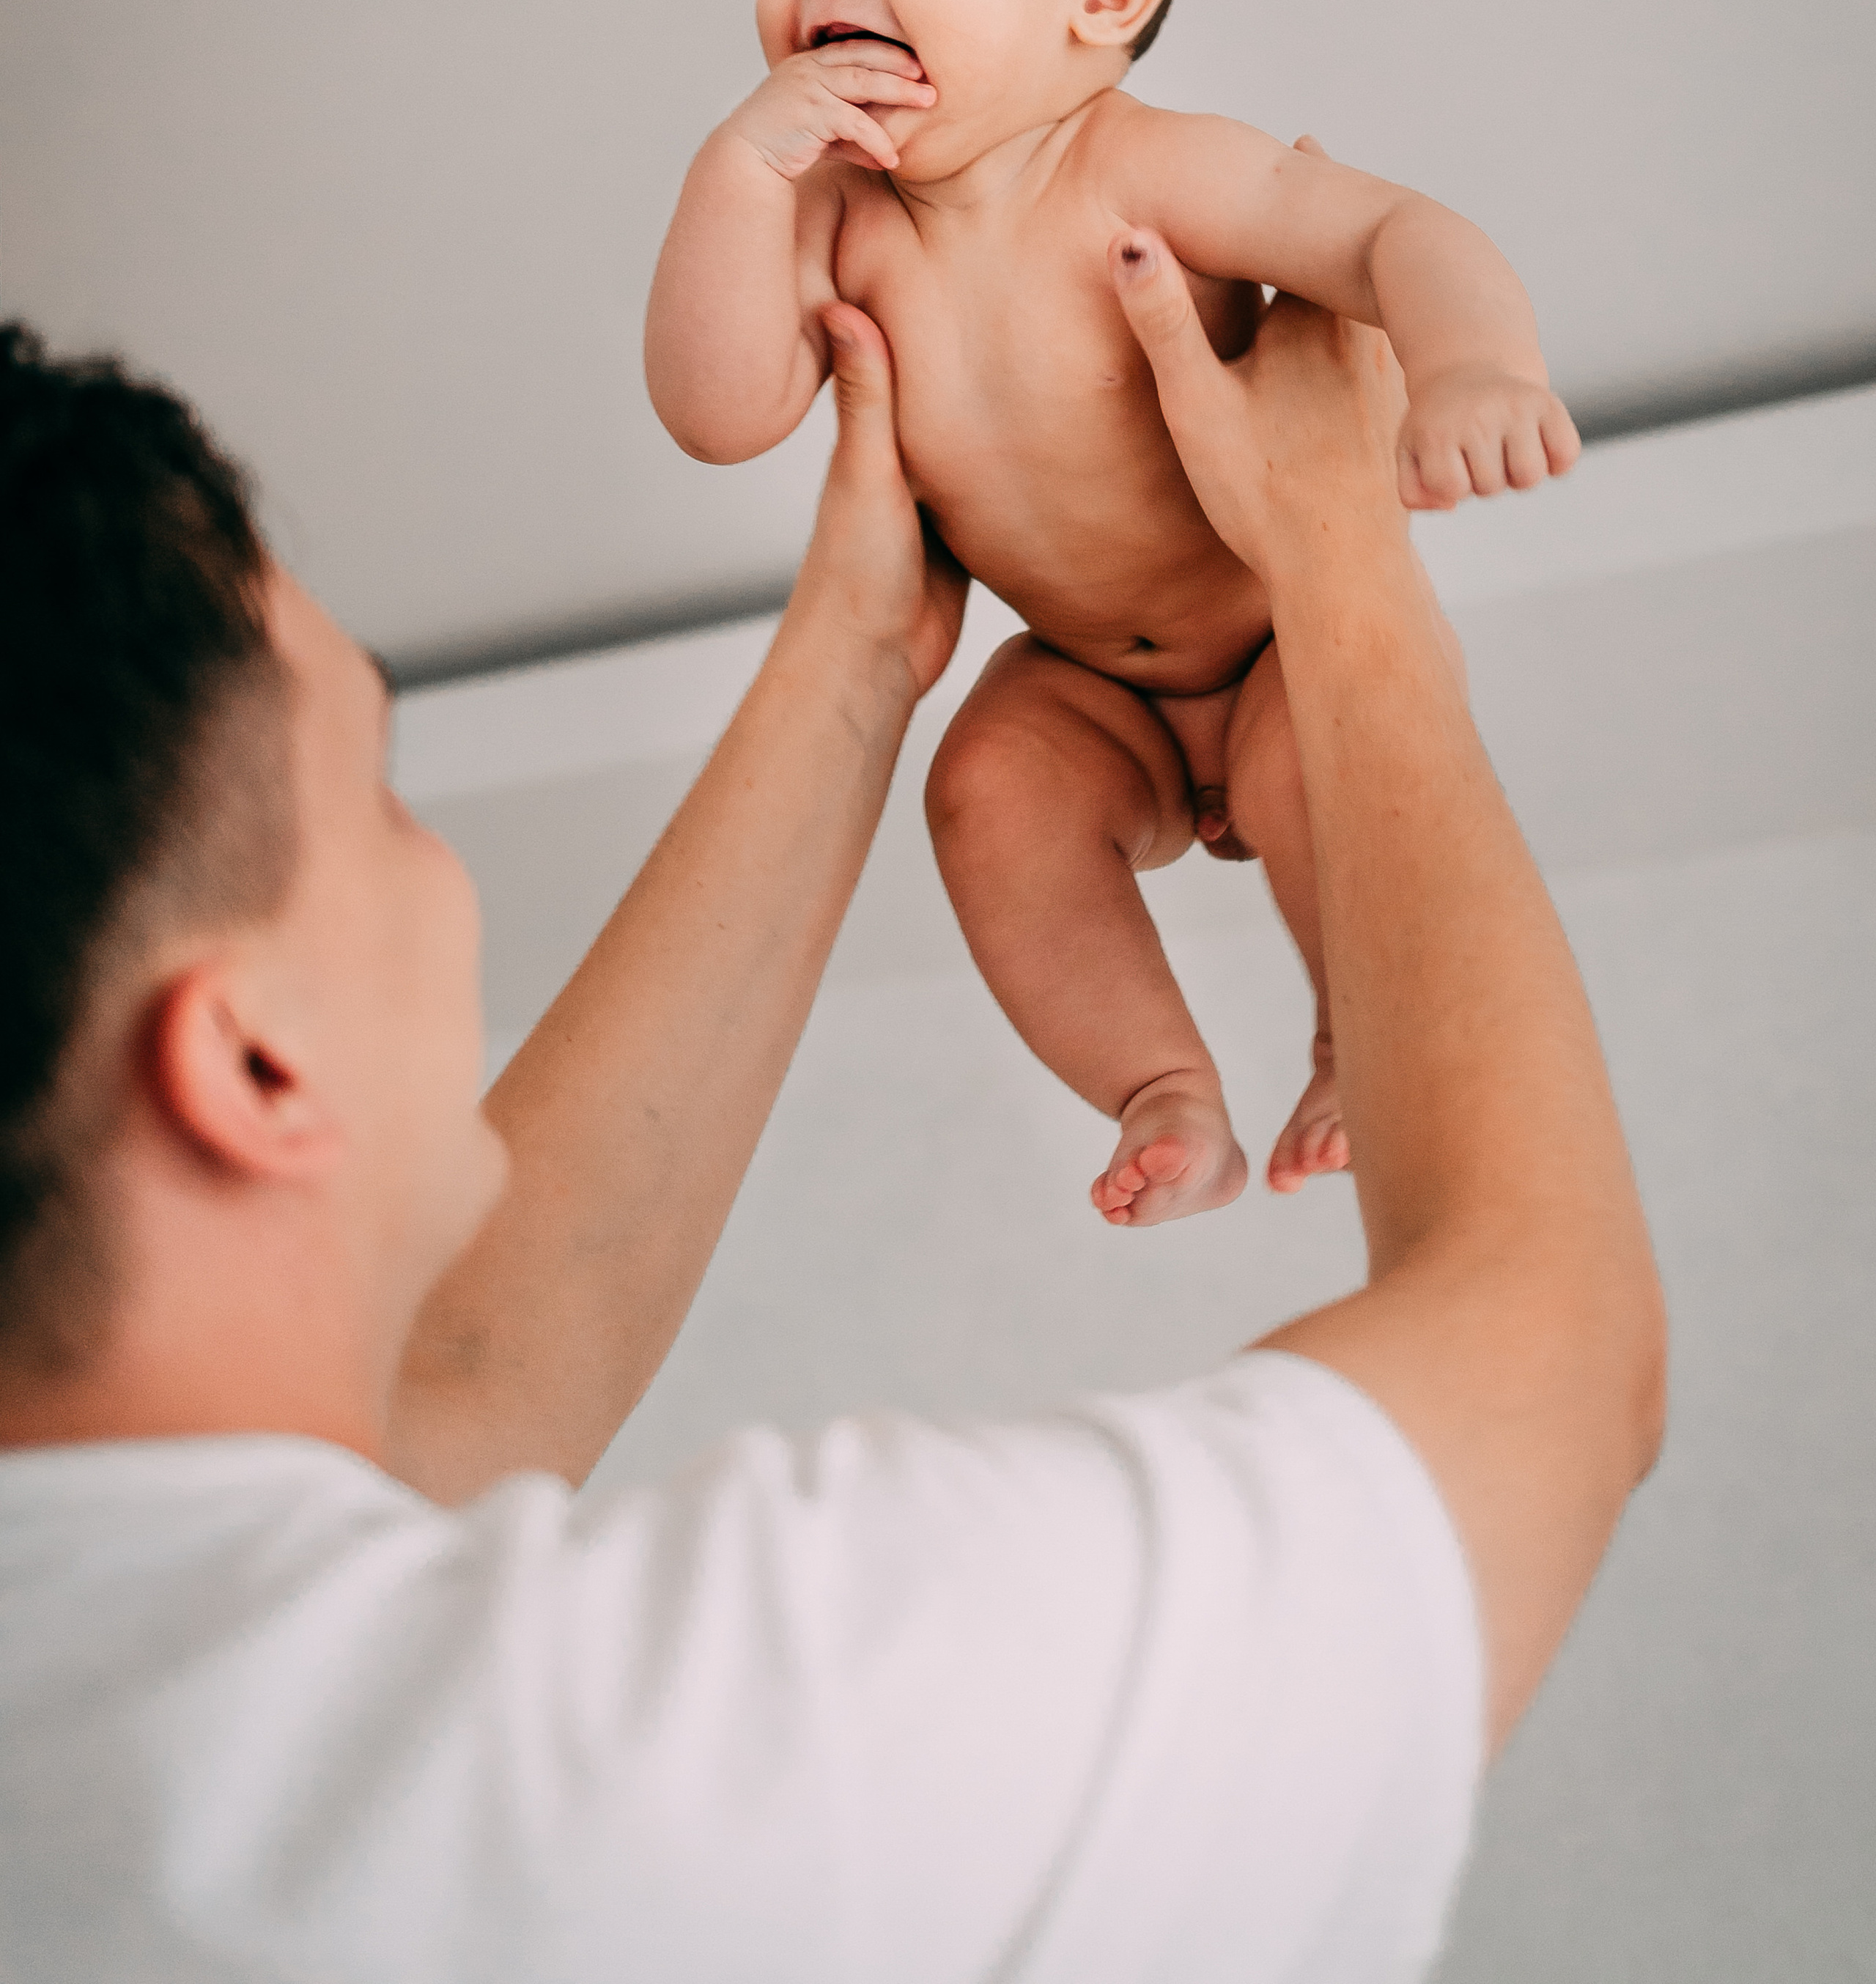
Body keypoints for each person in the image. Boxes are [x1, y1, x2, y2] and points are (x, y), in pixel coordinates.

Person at [0, 281, 1663, 1984]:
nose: (442, 877)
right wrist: (1335, 556)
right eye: (379, 799)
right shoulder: (645, 1769)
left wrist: (861, 653)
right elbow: (1550, 1354)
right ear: (255, 1068)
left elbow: (467, 1378)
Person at [645, 0, 1582, 1224]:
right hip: (1081, 676)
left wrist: (1474, 366)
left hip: (1275, 640)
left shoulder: (1142, 166)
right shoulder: (837, 220)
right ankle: (1160, 1086)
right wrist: (739, 172)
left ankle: (1359, 1040)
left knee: (1321, 765)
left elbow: (1392, 232)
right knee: (987, 790)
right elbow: (719, 409)